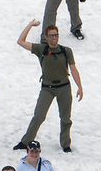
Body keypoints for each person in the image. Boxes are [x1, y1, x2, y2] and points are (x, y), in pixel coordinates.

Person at [14, 19, 83, 152]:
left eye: (56, 35)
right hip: (47, 88)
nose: (54, 38)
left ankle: (65, 144)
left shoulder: (66, 50)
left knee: (65, 118)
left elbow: (73, 69)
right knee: (39, 116)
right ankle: (26, 141)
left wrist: (79, 87)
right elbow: (21, 41)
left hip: (64, 87)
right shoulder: (41, 49)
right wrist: (30, 25)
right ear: (46, 37)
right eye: (51, 35)